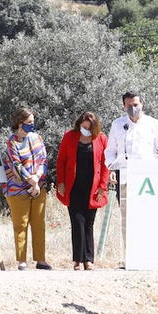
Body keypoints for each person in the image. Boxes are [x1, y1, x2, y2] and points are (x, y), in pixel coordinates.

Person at [105, 90, 158, 265]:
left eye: (136, 105)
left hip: (148, 180)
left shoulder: (153, 124)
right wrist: (111, 167)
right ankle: (130, 259)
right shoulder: (118, 124)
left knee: (148, 218)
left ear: (142, 104)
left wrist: (156, 168)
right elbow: (110, 152)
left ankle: (150, 258)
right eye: (129, 105)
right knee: (128, 220)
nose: (133, 108)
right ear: (123, 106)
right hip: (125, 178)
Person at [56, 111, 111, 270]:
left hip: (93, 188)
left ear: (94, 127)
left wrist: (102, 186)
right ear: (79, 124)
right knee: (77, 222)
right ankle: (78, 260)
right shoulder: (69, 136)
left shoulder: (101, 138)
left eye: (88, 127)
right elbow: (61, 160)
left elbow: (105, 163)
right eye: (83, 126)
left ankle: (88, 259)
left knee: (89, 223)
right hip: (73, 186)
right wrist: (60, 182)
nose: (85, 129)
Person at [1, 108, 51, 271]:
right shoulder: (12, 141)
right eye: (29, 122)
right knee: (20, 224)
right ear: (19, 123)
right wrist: (31, 181)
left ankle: (41, 259)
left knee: (39, 223)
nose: (32, 125)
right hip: (17, 188)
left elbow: (43, 159)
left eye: (33, 122)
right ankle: (22, 260)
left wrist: (36, 180)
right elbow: (16, 165)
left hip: (38, 186)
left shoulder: (37, 138)